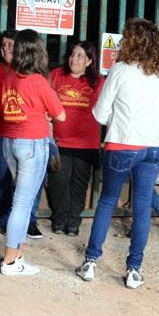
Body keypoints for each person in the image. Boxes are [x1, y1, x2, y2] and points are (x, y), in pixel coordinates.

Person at [75, 18, 159, 290]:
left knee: (108, 201)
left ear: (130, 42)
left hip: (123, 143)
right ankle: (134, 270)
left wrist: (117, 118)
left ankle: (90, 263)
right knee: (143, 207)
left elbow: (100, 113)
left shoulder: (120, 70)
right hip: (155, 145)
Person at [0, 30, 65, 276]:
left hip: (11, 142)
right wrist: (44, 111)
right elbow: (60, 114)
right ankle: (9, 262)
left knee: (20, 201)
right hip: (32, 145)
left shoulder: (9, 78)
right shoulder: (38, 81)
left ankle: (18, 256)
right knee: (23, 203)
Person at [0, 31, 42, 238]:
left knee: (32, 179)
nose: (6, 49)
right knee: (2, 176)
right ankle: (5, 219)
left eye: (11, 45)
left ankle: (30, 220)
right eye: (3, 45)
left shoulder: (31, 73)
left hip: (26, 134)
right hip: (0, 134)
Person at [48, 41, 104, 236]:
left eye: (80, 56)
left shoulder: (98, 82)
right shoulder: (56, 75)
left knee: (79, 183)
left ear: (89, 61)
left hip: (86, 143)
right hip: (59, 141)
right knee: (58, 180)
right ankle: (59, 218)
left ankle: (73, 221)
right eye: (73, 54)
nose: (74, 59)